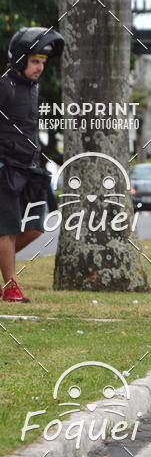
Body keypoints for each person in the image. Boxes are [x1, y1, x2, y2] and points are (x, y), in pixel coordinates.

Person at [0, 26, 64, 302]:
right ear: (20, 59)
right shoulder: (5, 86)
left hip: (31, 167)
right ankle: (10, 288)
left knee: (37, 225)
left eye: (43, 62)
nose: (40, 68)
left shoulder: (33, 88)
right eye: (35, 61)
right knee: (7, 228)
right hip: (6, 169)